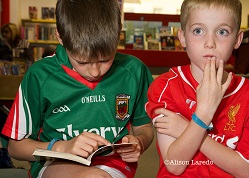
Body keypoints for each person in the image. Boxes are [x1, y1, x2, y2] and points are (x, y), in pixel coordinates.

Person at [1, 0, 154, 178]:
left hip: (113, 164)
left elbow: (144, 127)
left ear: (118, 34)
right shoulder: (40, 76)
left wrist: (139, 142)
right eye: (82, 62)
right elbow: (15, 147)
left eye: (105, 59)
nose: (95, 71)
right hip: (55, 162)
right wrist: (62, 147)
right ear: (60, 37)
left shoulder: (134, 70)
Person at [145, 0, 249, 177]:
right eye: (198, 31)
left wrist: (186, 128)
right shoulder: (165, 87)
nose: (210, 43)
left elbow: (246, 171)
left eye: (222, 32)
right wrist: (203, 114)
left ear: (238, 39)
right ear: (183, 37)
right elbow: (175, 164)